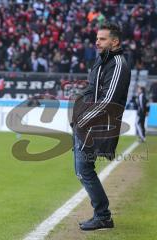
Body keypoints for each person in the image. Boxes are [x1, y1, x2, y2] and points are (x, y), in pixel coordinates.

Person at [71, 22, 131, 231]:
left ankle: (103, 215)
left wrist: (82, 121)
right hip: (85, 124)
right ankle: (102, 215)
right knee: (82, 170)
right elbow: (91, 91)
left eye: (102, 39)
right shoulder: (101, 60)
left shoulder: (117, 64)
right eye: (97, 38)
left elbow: (108, 102)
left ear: (115, 41)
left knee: (84, 170)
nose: (97, 42)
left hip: (95, 127)